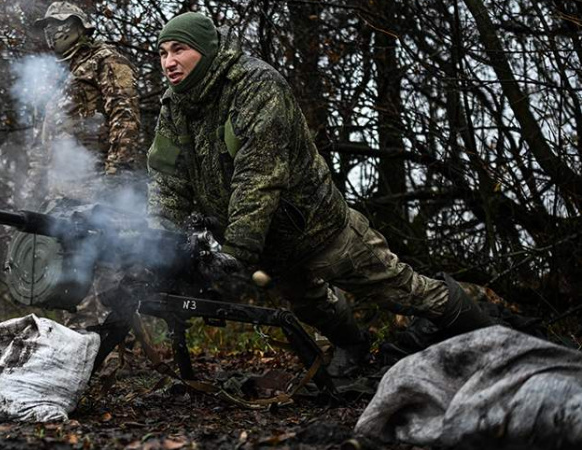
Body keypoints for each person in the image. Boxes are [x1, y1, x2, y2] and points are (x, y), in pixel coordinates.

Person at [147, 13, 494, 375]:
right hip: (269, 243)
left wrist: (236, 249)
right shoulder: (176, 105)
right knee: (312, 306)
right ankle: (354, 349)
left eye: (179, 49)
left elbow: (260, 173)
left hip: (317, 228)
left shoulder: (255, 85)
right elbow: (167, 178)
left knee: (400, 289)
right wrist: (159, 240)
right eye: (162, 53)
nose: (169, 62)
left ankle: (492, 338)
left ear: (206, 49)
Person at [29, 2, 144, 327]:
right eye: (47, 27)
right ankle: (79, 347)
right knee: (69, 271)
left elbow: (125, 116)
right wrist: (35, 185)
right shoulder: (57, 74)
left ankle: (105, 350)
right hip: (64, 189)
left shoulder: (106, 61)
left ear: (80, 26)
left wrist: (116, 175)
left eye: (58, 24)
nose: (51, 32)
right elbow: (45, 140)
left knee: (104, 268)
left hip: (97, 186)